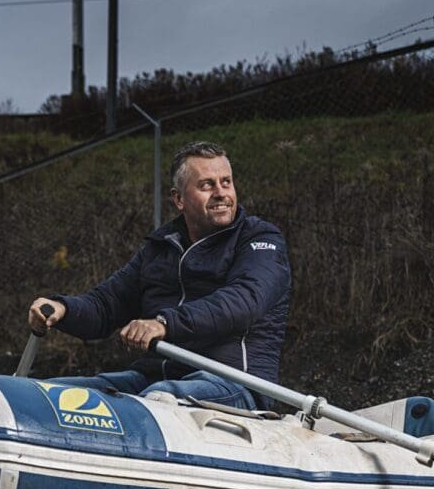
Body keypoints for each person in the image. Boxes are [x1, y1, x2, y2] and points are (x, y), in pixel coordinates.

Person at [29, 141, 290, 410]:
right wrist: (62, 309)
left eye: (226, 182)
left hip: (232, 383)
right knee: (48, 392)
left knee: (159, 395)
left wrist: (164, 323)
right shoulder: (160, 247)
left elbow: (244, 301)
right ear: (179, 199)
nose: (221, 193)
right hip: (152, 378)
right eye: (207, 185)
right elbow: (107, 304)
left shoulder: (260, 240)